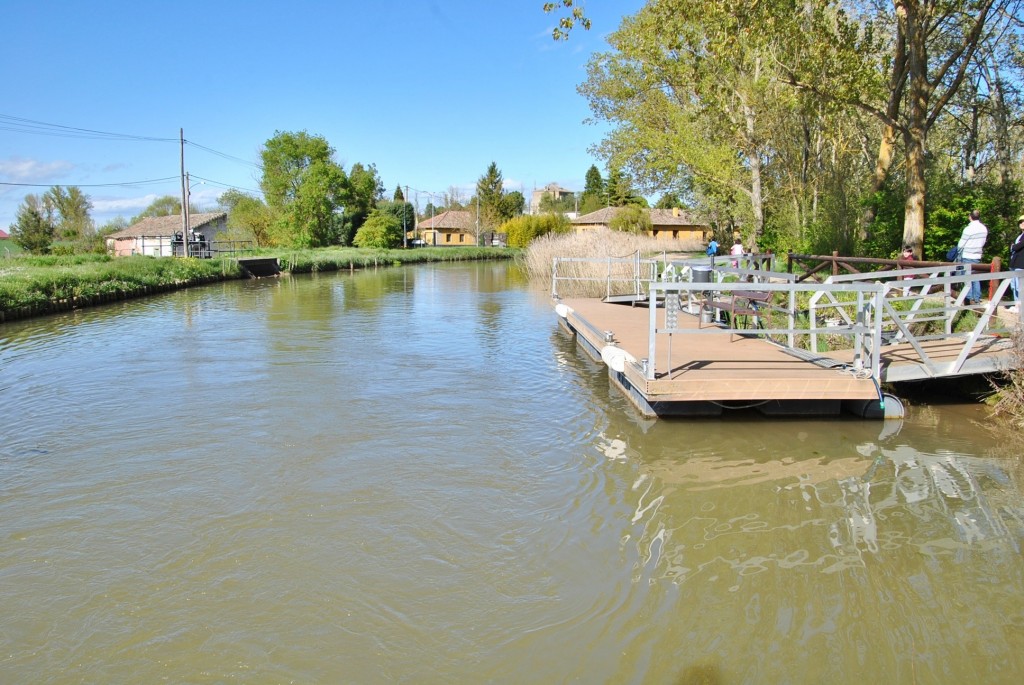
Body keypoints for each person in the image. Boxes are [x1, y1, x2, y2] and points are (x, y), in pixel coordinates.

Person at [957, 209, 988, 304]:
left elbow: (961, 244)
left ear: (970, 217)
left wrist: (958, 251)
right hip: (977, 255)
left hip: (967, 254)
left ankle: (968, 298)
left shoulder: (968, 229)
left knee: (967, 277)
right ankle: (977, 298)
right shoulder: (984, 228)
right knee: (976, 277)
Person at [1009, 215, 1024, 314]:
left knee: (1020, 286)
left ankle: (1020, 306)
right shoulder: (1020, 235)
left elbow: (1016, 247)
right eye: (1020, 222)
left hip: (1021, 264)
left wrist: (1013, 246)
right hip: (1015, 263)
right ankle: (1016, 305)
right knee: (1014, 285)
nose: (1022, 223)